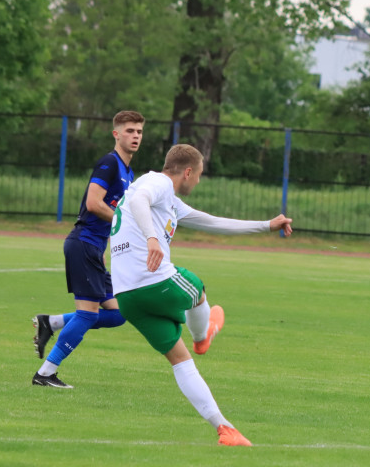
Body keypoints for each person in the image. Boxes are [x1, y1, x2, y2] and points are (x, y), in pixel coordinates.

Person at [109, 144, 292, 447]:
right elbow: (140, 199)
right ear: (188, 172)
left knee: (180, 361)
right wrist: (152, 239)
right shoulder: (158, 183)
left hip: (127, 296)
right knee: (198, 289)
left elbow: (212, 222)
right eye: (199, 176)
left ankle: (224, 429)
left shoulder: (170, 202)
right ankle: (203, 335)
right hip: (153, 281)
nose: (198, 182)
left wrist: (266, 226)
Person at [31, 110, 145, 389]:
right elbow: (94, 203)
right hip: (83, 244)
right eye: (129, 131)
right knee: (87, 314)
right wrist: (126, 221)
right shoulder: (109, 163)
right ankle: (45, 373)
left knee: (119, 313)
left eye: (139, 132)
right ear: (116, 134)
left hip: (95, 248)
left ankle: (52, 322)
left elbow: (111, 213)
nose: (135, 136)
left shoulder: (128, 171)